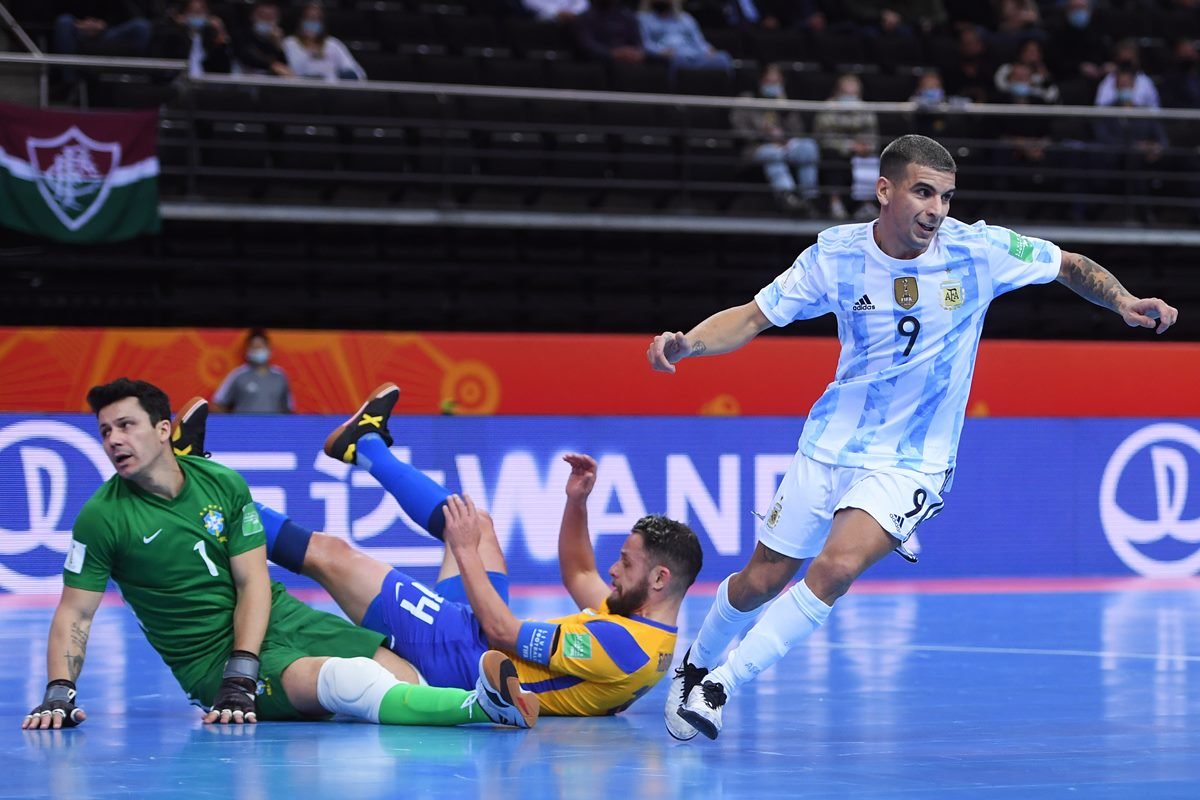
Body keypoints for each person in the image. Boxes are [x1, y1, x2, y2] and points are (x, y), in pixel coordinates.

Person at [647, 134, 1178, 741]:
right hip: (831, 442)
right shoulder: (836, 256)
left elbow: (1068, 265)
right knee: (761, 579)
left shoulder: (977, 250)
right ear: (885, 190)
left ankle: (723, 684)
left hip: (914, 459)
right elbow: (751, 315)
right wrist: (687, 343)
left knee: (837, 566)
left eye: (946, 197)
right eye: (923, 192)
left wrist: (1125, 302)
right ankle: (694, 663)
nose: (936, 209)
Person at [22, 378, 538, 731]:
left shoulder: (224, 484)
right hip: (210, 659)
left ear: (161, 429)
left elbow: (251, 582)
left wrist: (245, 671)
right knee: (347, 680)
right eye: (105, 431)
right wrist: (59, 691)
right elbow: (75, 612)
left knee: (406, 680)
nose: (113, 440)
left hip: (283, 618)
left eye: (126, 426)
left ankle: (362, 445)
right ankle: (483, 707)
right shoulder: (102, 516)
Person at [175, 382, 705, 717]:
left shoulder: (619, 645)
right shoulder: (645, 630)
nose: (613, 571)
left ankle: (195, 482)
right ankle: (363, 443)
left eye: (627, 563)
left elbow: (501, 632)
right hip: (473, 639)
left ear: (659, 579)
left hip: (459, 657)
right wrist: (577, 504)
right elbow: (578, 569)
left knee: (331, 554)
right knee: (477, 522)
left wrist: (466, 551)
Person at [731, 63, 821, 215]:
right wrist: (764, 135)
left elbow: (798, 131)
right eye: (770, 82)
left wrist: (784, 111)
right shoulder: (747, 101)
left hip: (785, 145)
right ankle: (788, 196)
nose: (774, 86)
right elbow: (739, 130)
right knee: (772, 153)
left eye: (777, 82)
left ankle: (809, 198)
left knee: (808, 147)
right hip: (758, 147)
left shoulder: (783, 103)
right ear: (761, 82)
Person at [813, 73, 880, 221]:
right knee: (834, 158)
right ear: (837, 92)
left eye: (853, 93)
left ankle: (866, 204)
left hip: (861, 151)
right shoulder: (828, 108)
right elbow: (825, 137)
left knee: (871, 158)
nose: (850, 97)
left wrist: (867, 147)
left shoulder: (865, 109)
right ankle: (835, 203)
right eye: (846, 93)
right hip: (835, 150)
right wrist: (850, 146)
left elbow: (872, 135)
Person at [637, 0, 733, 77]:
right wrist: (661, 52)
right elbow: (646, 45)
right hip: (672, 56)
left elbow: (699, 41)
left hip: (695, 54)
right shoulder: (644, 19)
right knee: (678, 61)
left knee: (724, 58)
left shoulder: (686, 18)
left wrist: (708, 49)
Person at [213, 328, 294, 414]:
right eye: (254, 347)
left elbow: (288, 408)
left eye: (260, 347)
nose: (257, 350)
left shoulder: (280, 376)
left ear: (269, 349)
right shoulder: (238, 375)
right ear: (247, 350)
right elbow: (218, 404)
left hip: (274, 426)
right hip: (244, 426)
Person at [282, 2, 365, 82]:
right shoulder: (289, 44)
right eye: (309, 18)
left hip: (331, 91)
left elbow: (357, 72)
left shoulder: (333, 44)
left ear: (322, 23)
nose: (312, 22)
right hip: (298, 90)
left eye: (316, 19)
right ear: (301, 21)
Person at [150, 0, 232, 77]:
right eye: (193, 12)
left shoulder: (210, 37)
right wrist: (178, 28)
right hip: (177, 82)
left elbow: (223, 69)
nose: (197, 16)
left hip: (209, 85)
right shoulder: (173, 35)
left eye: (200, 12)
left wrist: (220, 34)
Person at [232, 1, 293, 77]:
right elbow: (246, 56)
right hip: (244, 81)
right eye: (262, 16)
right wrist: (271, 65)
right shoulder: (242, 35)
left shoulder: (278, 40)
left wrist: (278, 47)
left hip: (270, 83)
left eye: (270, 17)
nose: (266, 21)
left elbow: (285, 67)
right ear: (252, 16)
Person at [574, 0, 645, 65]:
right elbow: (587, 47)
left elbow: (638, 43)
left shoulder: (628, 17)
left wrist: (636, 53)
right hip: (597, 66)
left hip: (629, 65)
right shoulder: (584, 19)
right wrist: (614, 54)